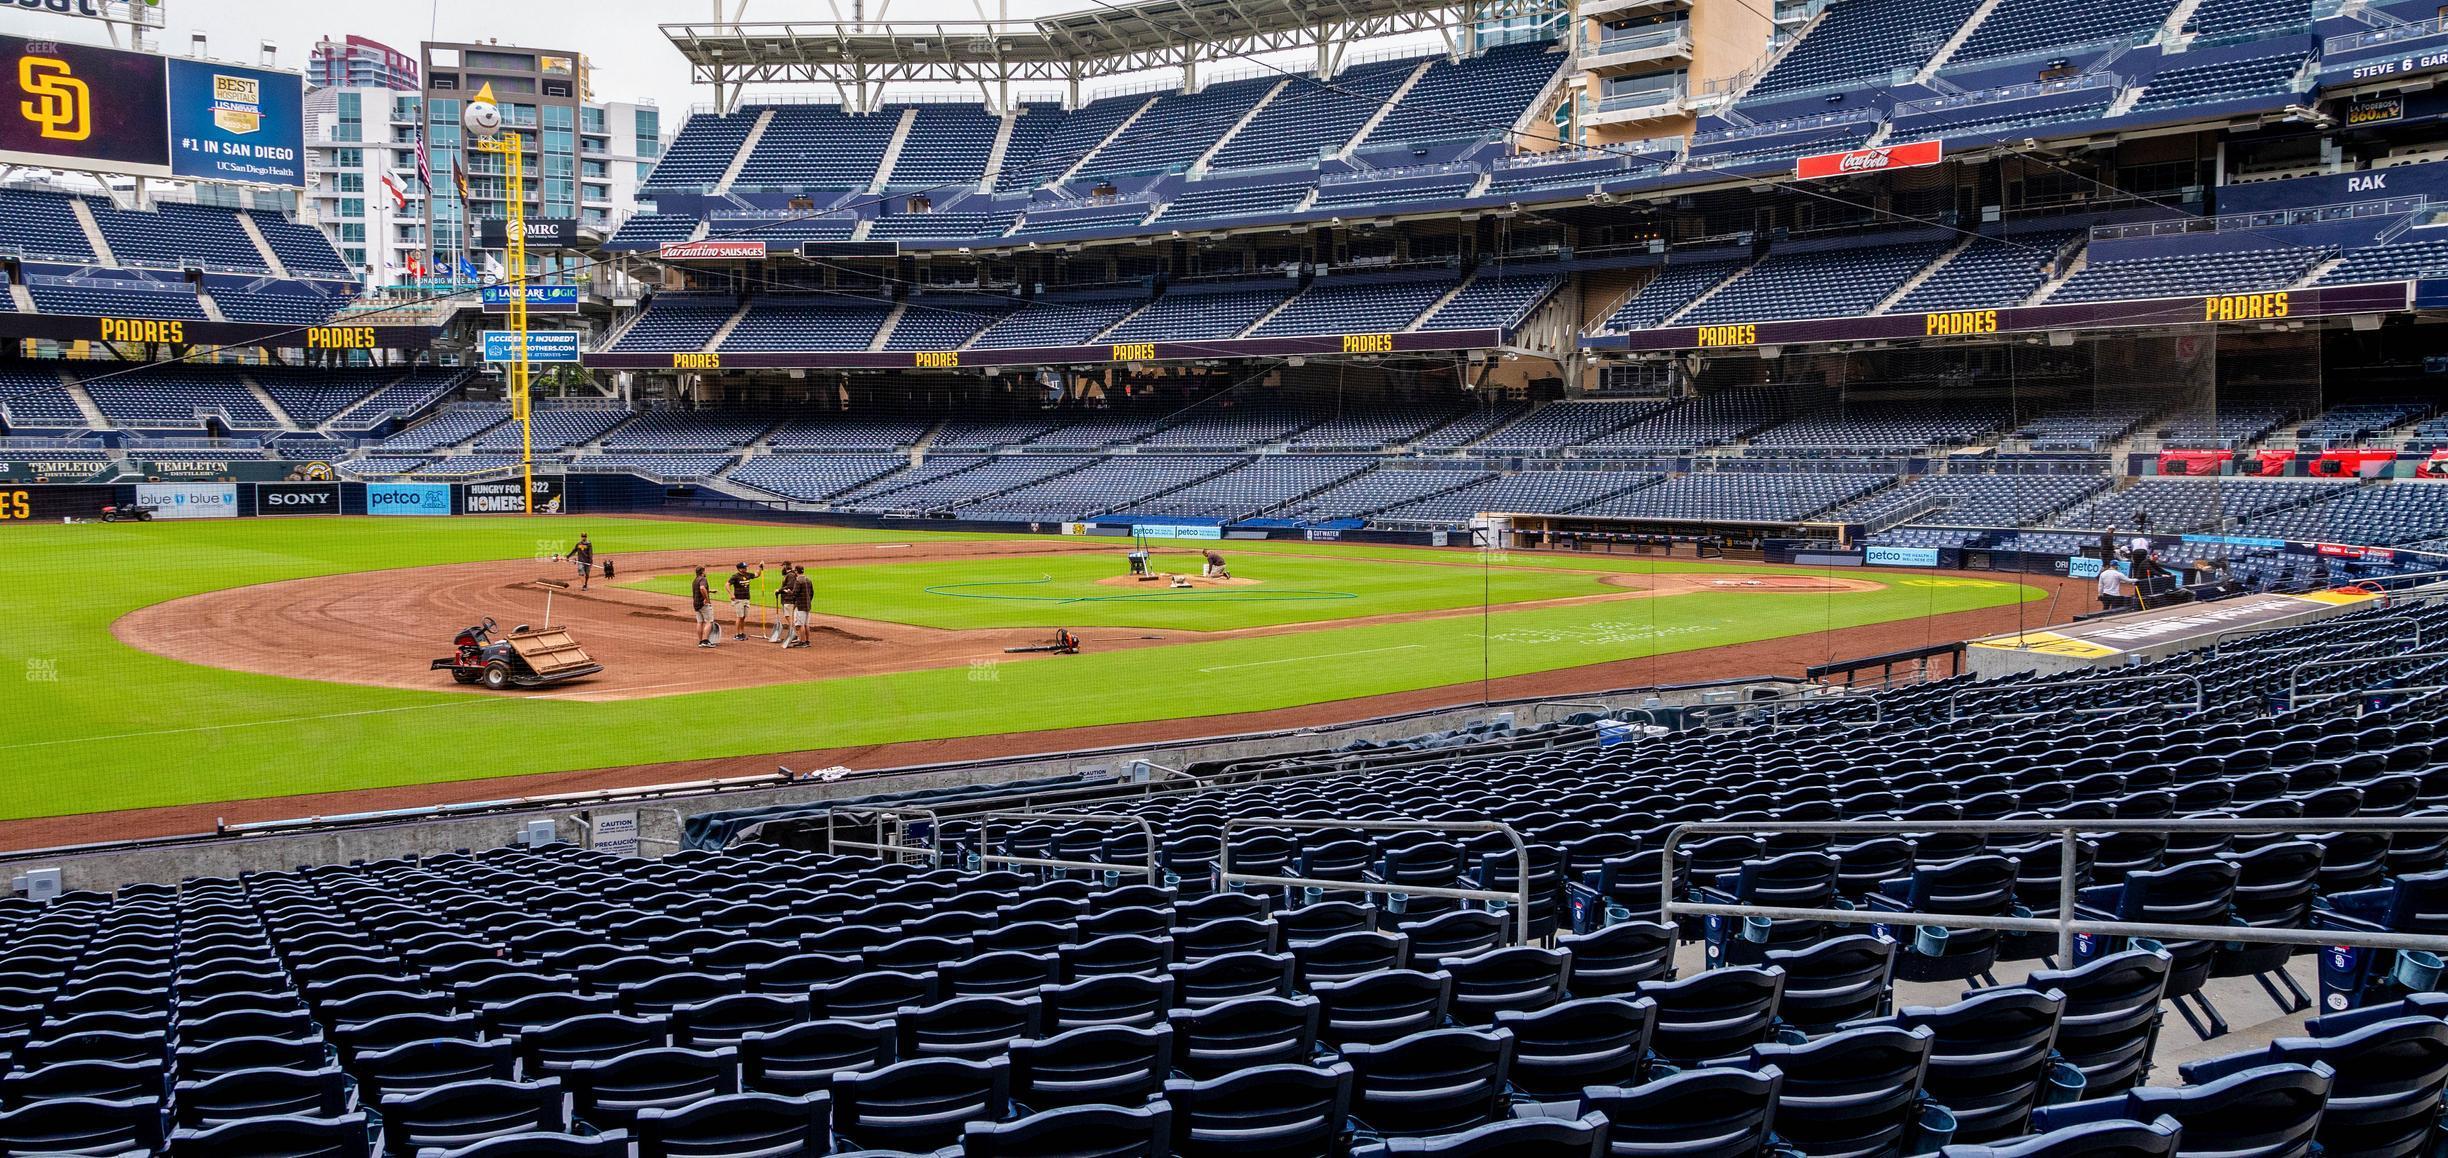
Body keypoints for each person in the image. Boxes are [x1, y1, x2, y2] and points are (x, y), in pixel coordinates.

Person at [728, 562, 764, 641]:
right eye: (744, 567)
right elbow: (727, 585)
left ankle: (742, 633)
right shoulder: (735, 577)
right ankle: (737, 634)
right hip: (739, 599)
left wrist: (760, 568)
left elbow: (757, 575)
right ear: (740, 569)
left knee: (744, 617)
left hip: (746, 599)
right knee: (739, 616)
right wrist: (731, 594)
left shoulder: (748, 575)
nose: (746, 568)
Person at [784, 565, 815, 649]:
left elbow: (795, 594)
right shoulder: (808, 580)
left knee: (800, 625)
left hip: (800, 606)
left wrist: (789, 592)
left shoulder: (798, 581)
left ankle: (802, 642)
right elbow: (812, 593)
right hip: (808, 605)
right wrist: (808, 601)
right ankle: (807, 641)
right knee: (806, 624)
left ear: (797, 571)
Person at [690, 566, 720, 648]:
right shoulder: (703, 579)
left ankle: (700, 641)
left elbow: (698, 589)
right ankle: (705, 641)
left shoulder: (695, 580)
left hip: (696, 604)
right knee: (709, 621)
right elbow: (702, 588)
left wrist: (710, 591)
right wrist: (706, 599)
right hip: (703, 604)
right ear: (702, 572)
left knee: (700, 622)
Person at [767, 562, 795, 643]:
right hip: (786, 599)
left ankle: (794, 635)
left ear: (786, 567)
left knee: (788, 616)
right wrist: (780, 591)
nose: (782, 569)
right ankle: (793, 634)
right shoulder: (789, 575)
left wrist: (779, 590)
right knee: (788, 616)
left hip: (789, 599)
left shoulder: (791, 575)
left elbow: (790, 586)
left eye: (783, 566)